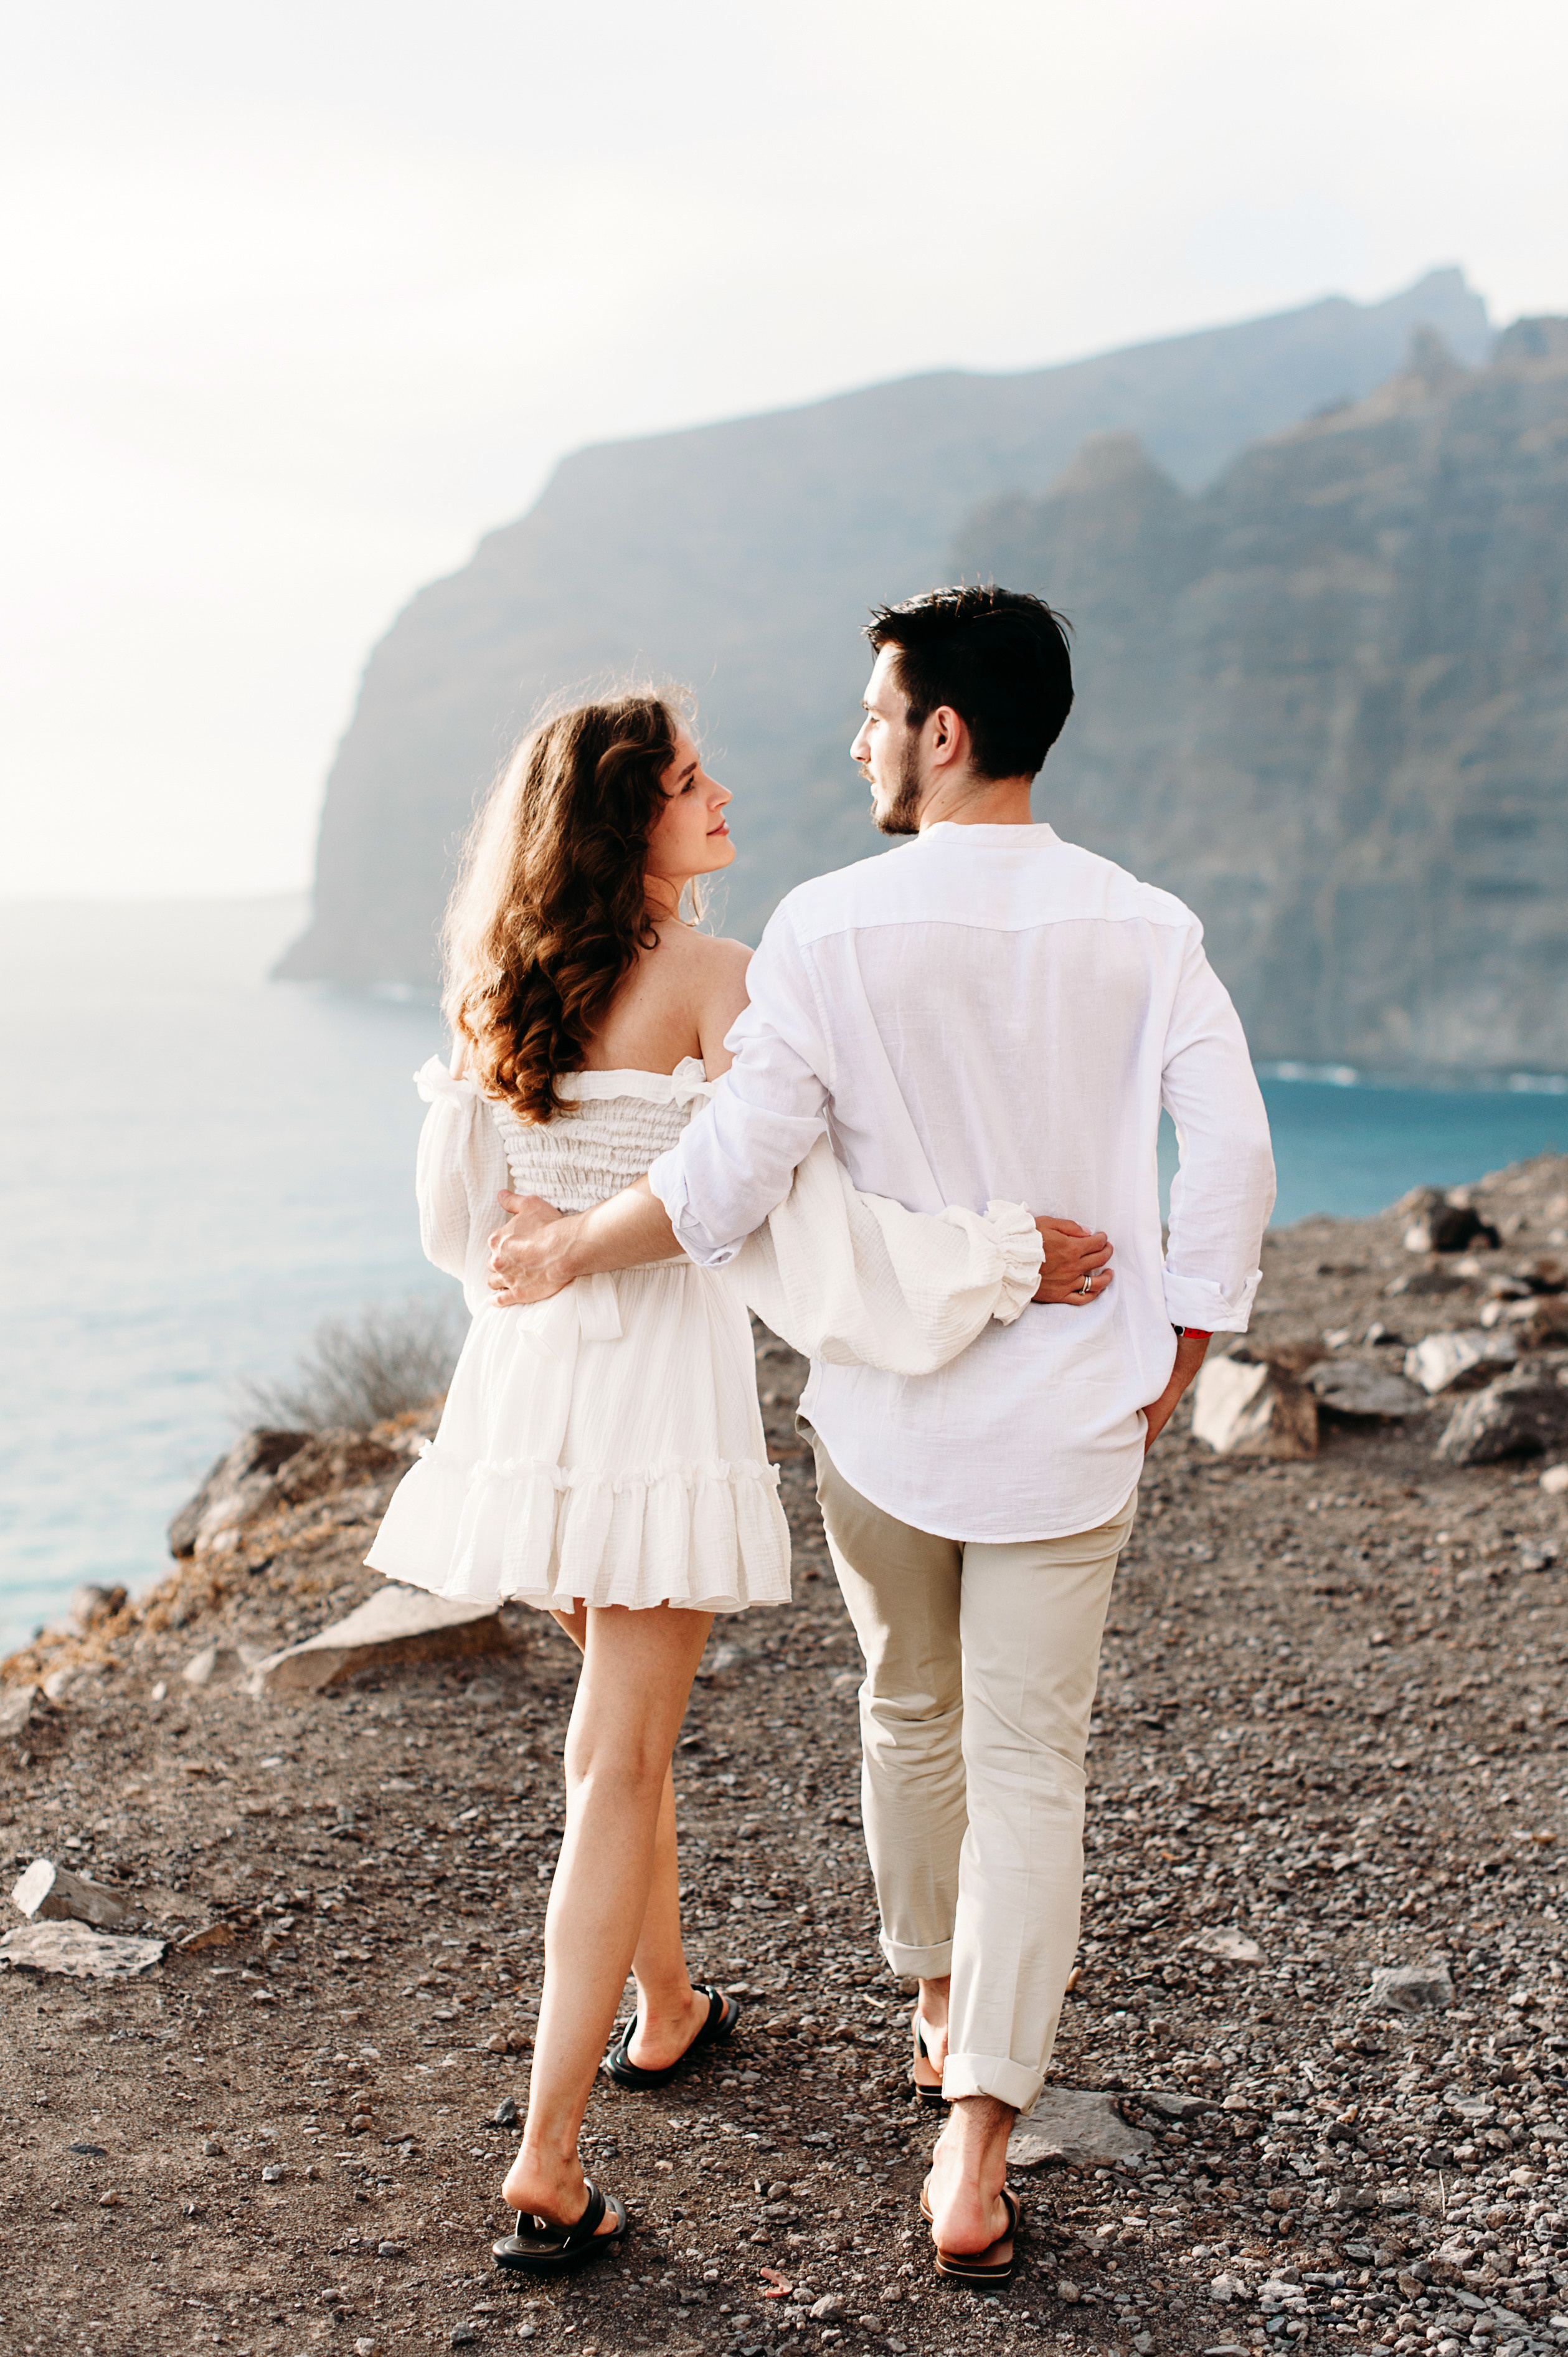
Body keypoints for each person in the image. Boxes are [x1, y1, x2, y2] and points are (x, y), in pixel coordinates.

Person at [485, 588, 1277, 2287]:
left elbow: (732, 1172)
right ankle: (973, 2145)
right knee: (1031, 1760)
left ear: (942, 731)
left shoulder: (825, 930)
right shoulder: (1146, 927)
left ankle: (930, 1996)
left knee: (907, 1708)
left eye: (874, 713)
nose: (855, 741)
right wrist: (1183, 1336)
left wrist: (563, 1247)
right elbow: (1228, 1153)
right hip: (1073, 1414)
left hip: (883, 1418)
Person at [367, 686, 1114, 2280]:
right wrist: (995, 1256)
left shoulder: (498, 982)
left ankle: (668, 2004)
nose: (719, 795)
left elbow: (457, 1227)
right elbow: (800, 1216)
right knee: (614, 1762)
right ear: (622, 819)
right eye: (687, 780)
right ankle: (545, 2156)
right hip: (647, 1407)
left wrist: (548, 1231)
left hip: (526, 1395)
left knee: (614, 1736)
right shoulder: (719, 979)